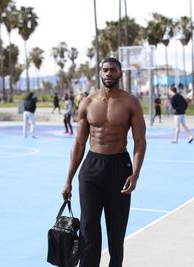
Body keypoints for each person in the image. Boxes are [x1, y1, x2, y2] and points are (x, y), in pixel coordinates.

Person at [62, 57, 146, 267]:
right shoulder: (88, 102)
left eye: (113, 70)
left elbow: (139, 141)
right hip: (92, 167)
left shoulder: (130, 102)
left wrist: (135, 174)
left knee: (116, 229)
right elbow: (79, 143)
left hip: (119, 167)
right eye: (105, 70)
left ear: (120, 73)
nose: (109, 73)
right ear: (100, 73)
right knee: (88, 227)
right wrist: (69, 179)